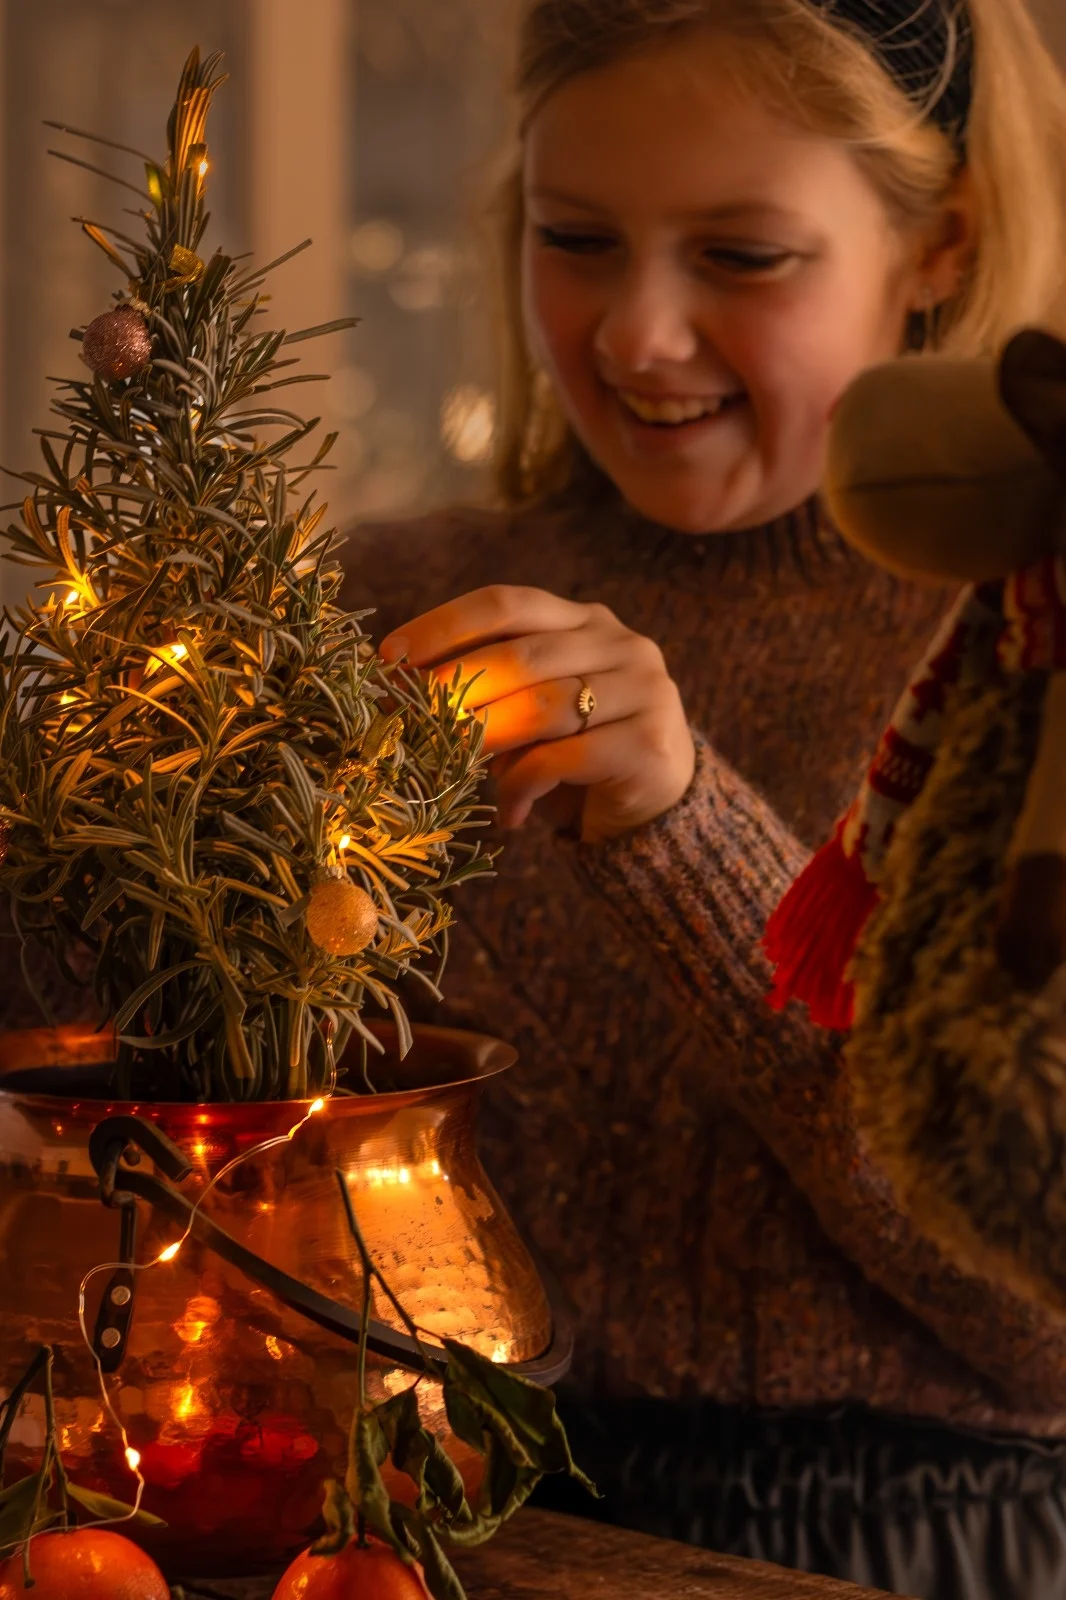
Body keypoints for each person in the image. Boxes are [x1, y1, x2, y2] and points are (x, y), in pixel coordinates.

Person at [339, 3, 1066, 1598]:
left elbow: (1038, 1305)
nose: (635, 333)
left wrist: (683, 833)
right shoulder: (376, 604)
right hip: (427, 1525)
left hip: (909, 1553)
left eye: (740, 258)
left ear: (939, 244)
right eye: (575, 238)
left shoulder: (1018, 651)